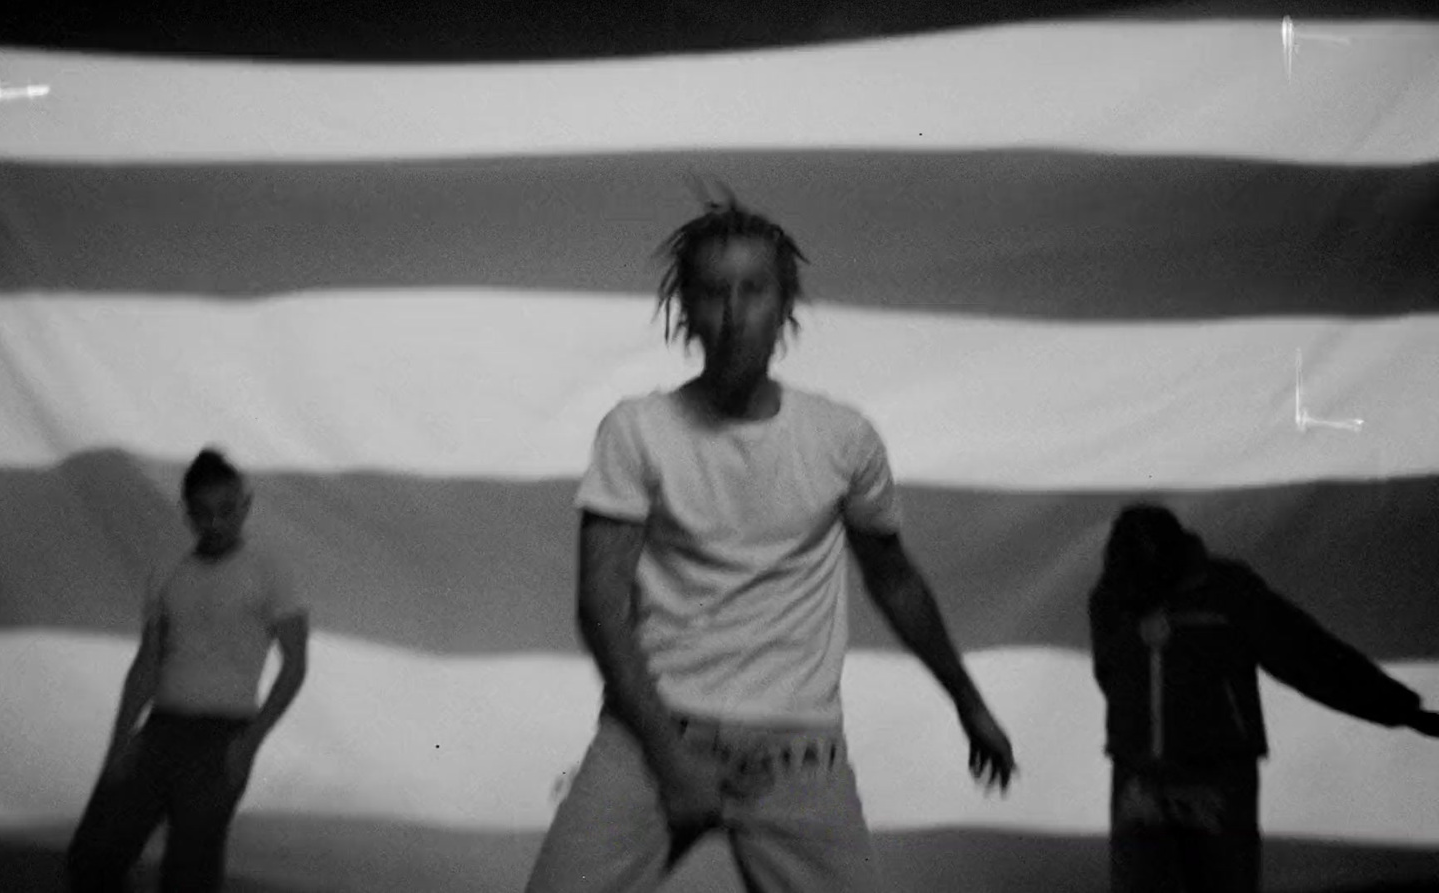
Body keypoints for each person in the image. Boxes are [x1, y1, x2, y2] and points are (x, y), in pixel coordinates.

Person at [525, 199, 1017, 893]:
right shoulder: (637, 431)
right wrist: (669, 759)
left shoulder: (841, 438)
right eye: (712, 291)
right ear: (684, 309)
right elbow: (599, 605)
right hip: (652, 732)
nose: (733, 313)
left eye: (753, 291)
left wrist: (968, 700)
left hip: (798, 750)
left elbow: (895, 579)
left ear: (786, 308)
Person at [1089, 503, 1439, 893]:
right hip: (1142, 779)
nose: (1141, 591)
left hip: (1214, 777)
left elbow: (1308, 655)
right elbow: (1113, 678)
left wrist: (1399, 708)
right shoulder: (1111, 598)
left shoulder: (1226, 592)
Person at [66, 448, 309, 893]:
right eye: (203, 513)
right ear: (187, 513)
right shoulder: (167, 569)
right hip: (160, 728)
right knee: (92, 856)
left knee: (188, 875)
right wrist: (120, 741)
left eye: (226, 511)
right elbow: (147, 662)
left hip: (224, 735)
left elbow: (295, 664)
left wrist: (249, 743)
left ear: (246, 506)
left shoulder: (271, 569)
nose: (215, 523)